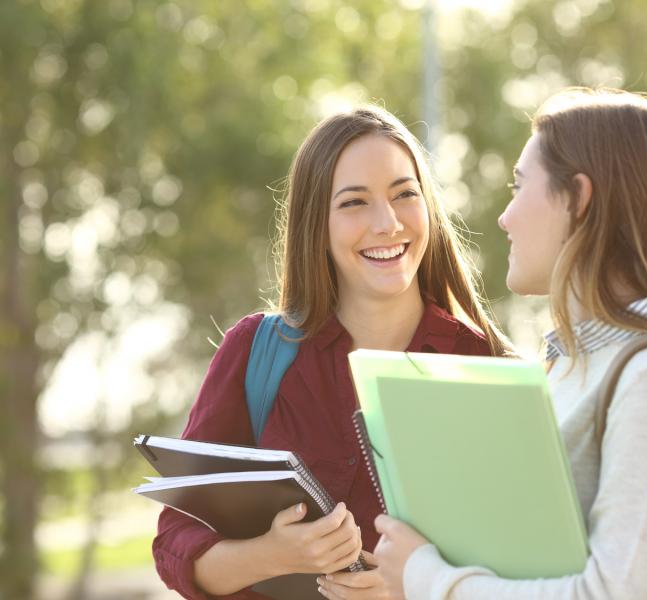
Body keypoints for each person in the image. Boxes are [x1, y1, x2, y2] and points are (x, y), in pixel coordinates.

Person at [365, 88, 647, 600]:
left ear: (580, 199)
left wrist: (427, 579)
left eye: (520, 187)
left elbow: (614, 594)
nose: (506, 217)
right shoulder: (571, 363)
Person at [152, 105, 511, 600]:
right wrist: (273, 556)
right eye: (354, 203)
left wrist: (415, 589)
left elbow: (528, 569)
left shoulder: (488, 367)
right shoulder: (255, 352)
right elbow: (175, 543)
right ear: (315, 224)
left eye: (405, 194)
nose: (386, 223)